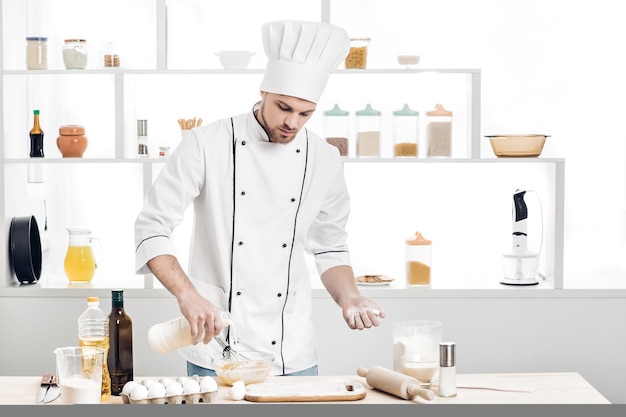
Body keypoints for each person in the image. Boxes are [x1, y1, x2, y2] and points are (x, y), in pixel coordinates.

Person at [135, 20, 385, 377]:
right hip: (215, 347)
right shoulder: (206, 144)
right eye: (284, 107)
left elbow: (330, 248)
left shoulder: (325, 158)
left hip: (292, 352)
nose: (292, 123)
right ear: (264, 90)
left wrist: (350, 297)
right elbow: (152, 226)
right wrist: (187, 295)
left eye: (305, 113)